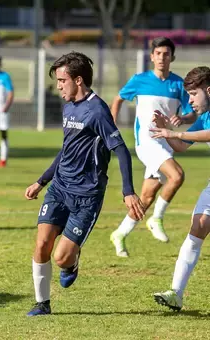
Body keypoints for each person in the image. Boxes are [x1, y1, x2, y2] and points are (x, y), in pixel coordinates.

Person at [24, 51, 145, 316]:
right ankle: (42, 303)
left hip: (87, 195)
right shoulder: (69, 106)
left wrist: (128, 192)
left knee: (61, 258)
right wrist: (41, 181)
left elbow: (121, 150)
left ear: (78, 80)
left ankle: (72, 262)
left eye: (62, 81)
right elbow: (66, 150)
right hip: (59, 188)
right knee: (42, 243)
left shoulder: (98, 111)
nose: (58, 86)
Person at [110, 37, 196, 257]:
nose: (161, 58)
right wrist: (110, 126)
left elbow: (192, 112)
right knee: (177, 176)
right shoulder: (139, 80)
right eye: (158, 53)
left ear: (172, 58)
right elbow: (118, 98)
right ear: (151, 57)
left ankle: (120, 233)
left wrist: (182, 118)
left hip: (165, 143)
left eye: (166, 54)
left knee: (147, 196)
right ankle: (156, 218)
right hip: (146, 143)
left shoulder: (178, 84)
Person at [151, 66, 210, 311]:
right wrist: (166, 132)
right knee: (197, 229)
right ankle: (176, 294)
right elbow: (182, 146)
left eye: (193, 94)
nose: (190, 101)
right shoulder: (205, 117)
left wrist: (173, 131)